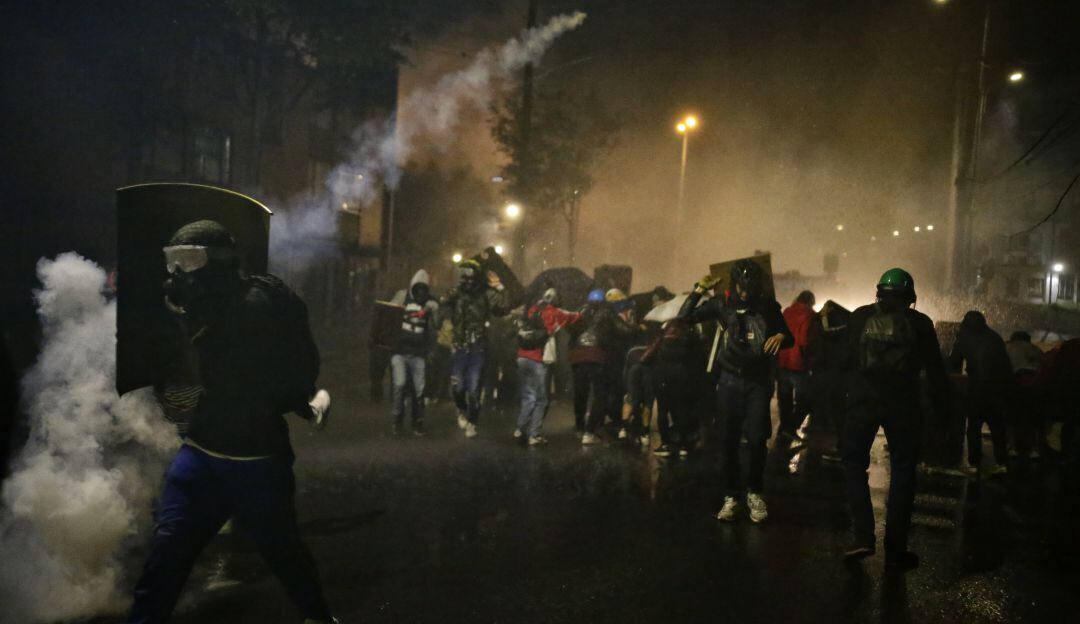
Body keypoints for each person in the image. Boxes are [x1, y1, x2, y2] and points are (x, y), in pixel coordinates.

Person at [128, 220, 336, 623]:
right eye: (173, 261)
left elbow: (240, 362)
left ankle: (319, 618)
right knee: (166, 556)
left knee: (283, 552)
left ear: (218, 261)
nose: (178, 272)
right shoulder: (196, 303)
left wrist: (182, 319)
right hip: (200, 456)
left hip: (256, 462)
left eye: (189, 260)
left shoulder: (253, 307)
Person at [842, 268, 949, 572]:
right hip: (903, 405)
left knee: (853, 464)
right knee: (903, 472)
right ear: (910, 296)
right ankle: (896, 550)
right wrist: (943, 413)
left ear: (879, 292)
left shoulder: (860, 317)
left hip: (862, 402)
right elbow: (936, 372)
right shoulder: (920, 323)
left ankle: (863, 536)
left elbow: (846, 362)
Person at [680, 260, 793, 523]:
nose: (744, 292)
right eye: (741, 287)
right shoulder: (722, 303)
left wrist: (781, 337)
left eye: (749, 287)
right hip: (729, 380)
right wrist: (698, 290)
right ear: (735, 284)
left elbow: (788, 336)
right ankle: (731, 496)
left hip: (757, 383)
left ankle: (755, 492)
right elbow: (685, 318)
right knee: (728, 440)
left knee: (756, 440)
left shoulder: (767, 306)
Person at [439, 259, 509, 439]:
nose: (467, 279)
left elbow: (503, 306)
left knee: (475, 387)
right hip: (460, 346)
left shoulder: (486, 294)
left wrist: (500, 287)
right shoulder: (456, 294)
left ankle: (473, 423)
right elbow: (442, 305)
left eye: (470, 275)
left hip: (478, 346)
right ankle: (461, 411)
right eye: (464, 275)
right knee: (459, 387)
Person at [947, 310, 1013, 476]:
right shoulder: (995, 337)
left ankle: (975, 463)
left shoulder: (965, 338)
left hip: (976, 388)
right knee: (997, 426)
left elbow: (954, 361)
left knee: (974, 426)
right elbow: (1006, 366)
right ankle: (1002, 462)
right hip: (996, 388)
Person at [514, 288, 582, 445]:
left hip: (522, 356)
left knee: (528, 396)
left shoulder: (532, 309)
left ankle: (519, 429)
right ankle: (534, 435)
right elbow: (574, 317)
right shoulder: (554, 312)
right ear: (555, 299)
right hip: (539, 359)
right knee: (542, 399)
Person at [569, 289, 633, 445]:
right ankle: (590, 431)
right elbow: (623, 329)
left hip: (577, 355)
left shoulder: (581, 310)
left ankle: (579, 426)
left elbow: (571, 329)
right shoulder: (607, 310)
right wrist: (636, 328)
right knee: (600, 394)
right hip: (596, 354)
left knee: (581, 392)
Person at [388, 269, 439, 436]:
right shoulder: (402, 296)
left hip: (418, 354)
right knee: (399, 385)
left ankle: (418, 422)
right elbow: (388, 314)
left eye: (424, 289)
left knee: (419, 390)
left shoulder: (430, 303)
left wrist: (434, 310)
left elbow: (436, 325)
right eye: (418, 289)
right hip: (399, 352)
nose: (420, 293)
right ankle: (397, 420)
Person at [776, 290, 820, 448]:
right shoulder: (810, 315)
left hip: (782, 361)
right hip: (799, 364)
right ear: (810, 301)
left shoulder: (787, 311)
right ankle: (790, 428)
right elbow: (805, 341)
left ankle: (783, 430)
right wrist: (811, 360)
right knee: (805, 400)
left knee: (785, 400)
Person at [1005, 331, 1046, 459]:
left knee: (1011, 416)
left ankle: (1012, 446)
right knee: (1035, 418)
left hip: (1015, 384)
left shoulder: (1007, 348)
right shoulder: (1035, 348)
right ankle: (1035, 449)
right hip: (1035, 385)